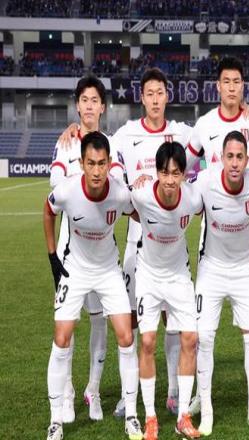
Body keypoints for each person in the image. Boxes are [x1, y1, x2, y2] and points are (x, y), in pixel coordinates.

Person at [58, 67, 193, 417]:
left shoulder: (182, 133)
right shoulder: (125, 135)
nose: (155, 99)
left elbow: (214, 143)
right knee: (130, 322)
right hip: (137, 242)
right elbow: (96, 146)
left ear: (167, 96)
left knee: (173, 319)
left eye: (160, 93)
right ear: (141, 97)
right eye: (149, 93)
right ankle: (126, 395)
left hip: (171, 245)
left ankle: (173, 391)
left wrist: (245, 113)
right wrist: (75, 129)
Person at [185, 56, 249, 417]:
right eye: (227, 81)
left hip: (244, 232)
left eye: (237, 81)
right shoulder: (205, 124)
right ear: (218, 86)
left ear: (242, 86)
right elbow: (186, 166)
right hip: (212, 231)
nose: (232, 87)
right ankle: (198, 395)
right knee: (204, 329)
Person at [44, 132, 142, 440]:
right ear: (82, 164)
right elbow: (48, 211)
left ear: (109, 163)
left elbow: (139, 213)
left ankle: (132, 415)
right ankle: (55, 420)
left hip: (108, 270)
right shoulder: (67, 191)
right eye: (91, 163)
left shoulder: (120, 193)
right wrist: (52, 256)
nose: (97, 171)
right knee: (62, 337)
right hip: (74, 269)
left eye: (102, 164)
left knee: (126, 336)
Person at [191, 131, 249, 436]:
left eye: (240, 157)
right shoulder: (205, 181)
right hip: (211, 270)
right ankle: (206, 409)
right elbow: (181, 192)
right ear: (221, 158)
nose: (235, 163)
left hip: (243, 271)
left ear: (247, 159)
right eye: (230, 157)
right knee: (204, 338)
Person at [131, 142, 202, 440]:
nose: (170, 180)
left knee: (190, 339)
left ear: (184, 174)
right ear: (156, 172)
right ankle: (150, 417)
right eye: (164, 172)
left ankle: (183, 415)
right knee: (147, 341)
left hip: (178, 276)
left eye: (175, 173)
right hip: (148, 275)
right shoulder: (141, 195)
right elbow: (124, 206)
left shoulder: (193, 198)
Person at [49, 74, 108, 422]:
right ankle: (68, 392)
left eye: (94, 100)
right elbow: (56, 189)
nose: (88, 106)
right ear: (77, 106)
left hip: (101, 252)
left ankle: (93, 390)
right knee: (66, 324)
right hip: (69, 250)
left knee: (100, 322)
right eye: (83, 100)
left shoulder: (110, 145)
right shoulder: (66, 144)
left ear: (103, 107)